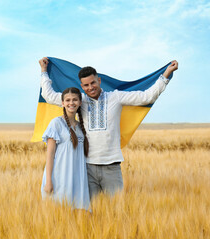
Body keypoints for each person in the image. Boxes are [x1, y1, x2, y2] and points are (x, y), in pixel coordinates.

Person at [39, 57, 178, 199]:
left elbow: (147, 97)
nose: (90, 87)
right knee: (90, 212)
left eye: (93, 83)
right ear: (82, 86)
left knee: (116, 211)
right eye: (86, 85)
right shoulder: (79, 100)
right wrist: (44, 71)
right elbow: (49, 95)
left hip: (112, 166)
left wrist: (166, 74)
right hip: (87, 168)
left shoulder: (116, 97)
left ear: (99, 81)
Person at [40, 87, 91, 211]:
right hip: (60, 177)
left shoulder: (81, 127)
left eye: (75, 100)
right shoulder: (56, 123)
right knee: (59, 214)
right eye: (67, 100)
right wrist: (48, 181)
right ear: (62, 103)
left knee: (78, 214)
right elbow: (50, 155)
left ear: (80, 102)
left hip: (78, 177)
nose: (71, 103)